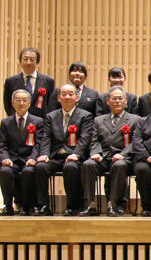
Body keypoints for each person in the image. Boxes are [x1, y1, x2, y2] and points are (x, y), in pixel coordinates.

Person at [34, 84, 94, 216]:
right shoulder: (51, 116)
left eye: (71, 94)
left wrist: (76, 154)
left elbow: (85, 138)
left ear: (77, 97)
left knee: (70, 167)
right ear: (58, 98)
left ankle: (73, 206)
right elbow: (46, 137)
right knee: (40, 167)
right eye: (64, 94)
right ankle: (43, 206)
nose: (67, 97)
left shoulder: (85, 116)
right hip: (55, 156)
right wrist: (44, 154)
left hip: (74, 156)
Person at [82, 86, 141, 216]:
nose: (117, 101)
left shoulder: (135, 120)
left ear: (126, 101)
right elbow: (94, 140)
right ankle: (89, 204)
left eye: (120, 98)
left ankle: (113, 204)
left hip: (123, 157)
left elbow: (135, 142)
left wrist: (123, 154)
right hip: (103, 157)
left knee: (119, 165)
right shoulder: (98, 120)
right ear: (108, 101)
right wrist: (96, 153)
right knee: (88, 164)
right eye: (114, 98)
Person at [0, 89, 44, 215]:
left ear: (29, 103)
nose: (21, 103)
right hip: (11, 160)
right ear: (12, 103)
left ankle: (26, 206)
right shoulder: (5, 122)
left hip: (28, 159)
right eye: (18, 100)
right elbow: (1, 145)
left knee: (28, 171)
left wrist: (33, 158)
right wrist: (5, 158)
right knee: (5, 171)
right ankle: (8, 205)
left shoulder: (38, 121)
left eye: (24, 100)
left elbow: (39, 144)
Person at [2, 47, 55, 117]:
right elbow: (8, 104)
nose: (28, 62)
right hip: (18, 121)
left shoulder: (48, 81)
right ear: (20, 61)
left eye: (32, 59)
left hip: (41, 121)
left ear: (37, 63)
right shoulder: (10, 81)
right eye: (25, 59)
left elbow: (51, 104)